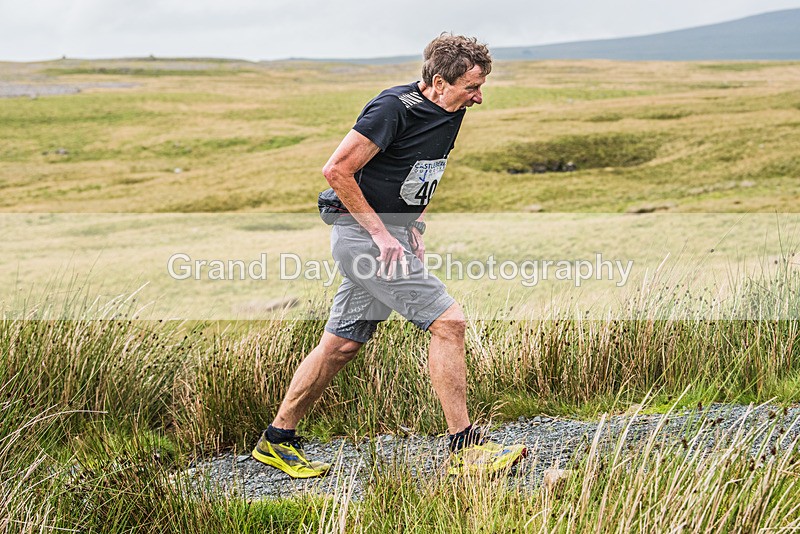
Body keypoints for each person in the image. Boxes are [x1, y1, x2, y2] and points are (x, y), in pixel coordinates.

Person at [252, 33, 527, 478]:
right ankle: (466, 449)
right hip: (366, 241)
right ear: (439, 82)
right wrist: (384, 236)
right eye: (471, 87)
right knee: (449, 323)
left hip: (389, 237)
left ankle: (277, 439)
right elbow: (337, 170)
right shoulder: (393, 109)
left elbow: (420, 173)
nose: (479, 97)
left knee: (341, 345)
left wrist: (411, 225)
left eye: (481, 86)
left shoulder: (450, 112)